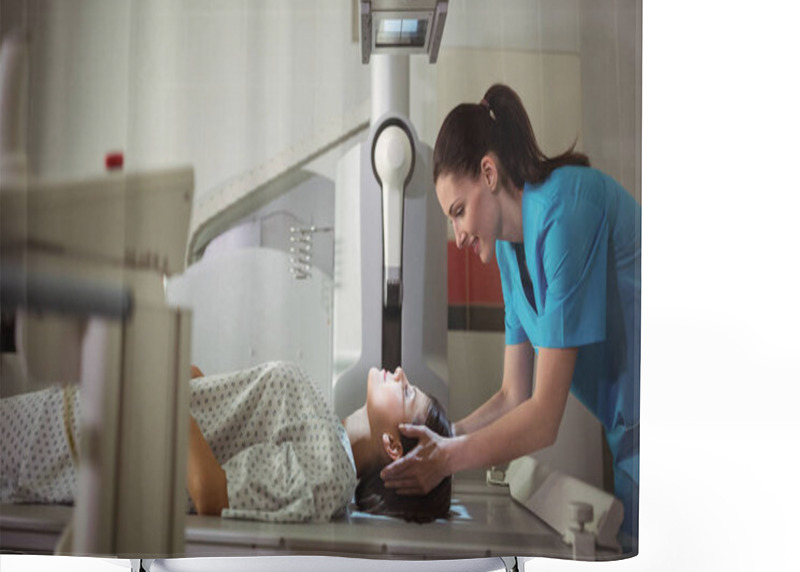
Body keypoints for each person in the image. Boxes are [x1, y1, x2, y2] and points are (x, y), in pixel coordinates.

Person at [380, 83, 641, 546]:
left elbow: (543, 417)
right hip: (630, 438)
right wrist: (443, 435)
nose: (458, 235)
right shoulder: (506, 252)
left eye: (458, 212)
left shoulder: (565, 212)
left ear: (488, 172)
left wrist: (449, 457)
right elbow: (512, 393)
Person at [1, 361, 453, 524]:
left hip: (88, 449)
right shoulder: (326, 433)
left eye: (407, 393)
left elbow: (210, 493)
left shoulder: (328, 475)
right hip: (92, 414)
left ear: (394, 446)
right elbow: (225, 428)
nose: (400, 375)